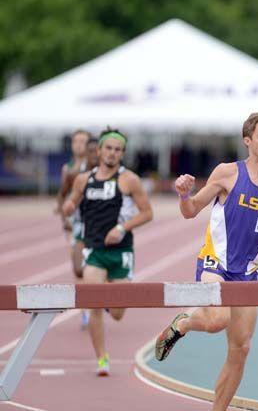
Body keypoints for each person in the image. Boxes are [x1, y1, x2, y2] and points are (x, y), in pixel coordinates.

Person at [154, 112, 258, 411]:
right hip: (215, 263)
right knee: (217, 320)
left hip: (247, 273)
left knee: (241, 349)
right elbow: (191, 211)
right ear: (247, 141)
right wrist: (184, 195)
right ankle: (183, 323)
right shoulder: (227, 173)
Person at [63, 128, 153, 376]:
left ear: (122, 154)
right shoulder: (83, 180)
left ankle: (108, 301)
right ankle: (102, 358)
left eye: (118, 150)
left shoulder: (129, 180)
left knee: (117, 314)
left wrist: (122, 228)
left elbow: (147, 213)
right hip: (94, 251)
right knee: (93, 305)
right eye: (108, 148)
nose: (112, 153)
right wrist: (69, 207)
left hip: (121, 252)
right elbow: (72, 200)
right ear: (99, 151)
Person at [56, 130, 91, 278]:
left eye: (83, 141)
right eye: (75, 141)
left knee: (90, 261)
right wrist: (64, 219)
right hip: (73, 219)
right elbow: (62, 194)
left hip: (90, 218)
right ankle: (81, 295)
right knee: (76, 263)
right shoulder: (67, 168)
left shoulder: (93, 165)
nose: (78, 145)